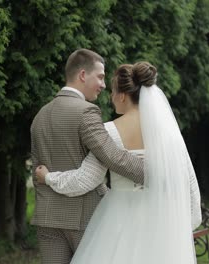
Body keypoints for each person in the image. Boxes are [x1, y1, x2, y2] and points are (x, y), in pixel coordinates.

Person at [36, 62, 202, 264]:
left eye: (113, 92)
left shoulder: (109, 131)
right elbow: (190, 185)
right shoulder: (169, 133)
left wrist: (48, 177)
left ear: (122, 95)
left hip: (119, 221)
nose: (111, 97)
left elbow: (85, 180)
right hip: (162, 222)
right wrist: (181, 227)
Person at [30, 49, 145, 264]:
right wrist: (153, 173)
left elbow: (37, 170)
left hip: (47, 219)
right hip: (84, 218)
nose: (103, 85)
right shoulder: (86, 112)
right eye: (100, 77)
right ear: (83, 75)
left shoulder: (40, 115)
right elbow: (112, 157)